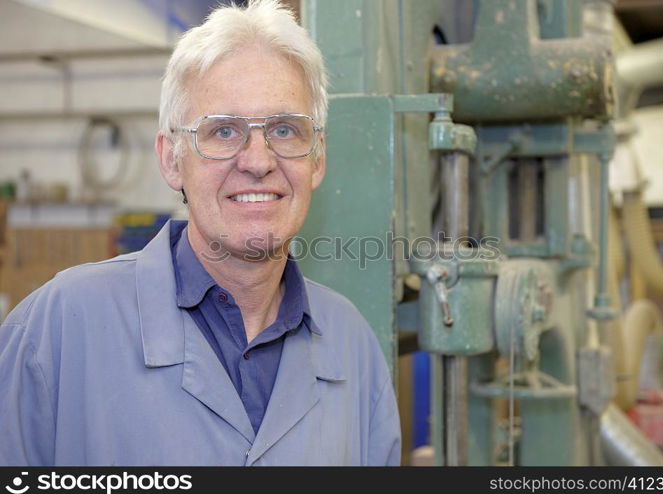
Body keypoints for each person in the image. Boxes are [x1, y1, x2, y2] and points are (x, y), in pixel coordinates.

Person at [0, 0, 400, 466]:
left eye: (286, 130)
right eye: (224, 131)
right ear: (172, 159)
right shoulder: (57, 330)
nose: (257, 160)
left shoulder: (353, 344)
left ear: (318, 159)